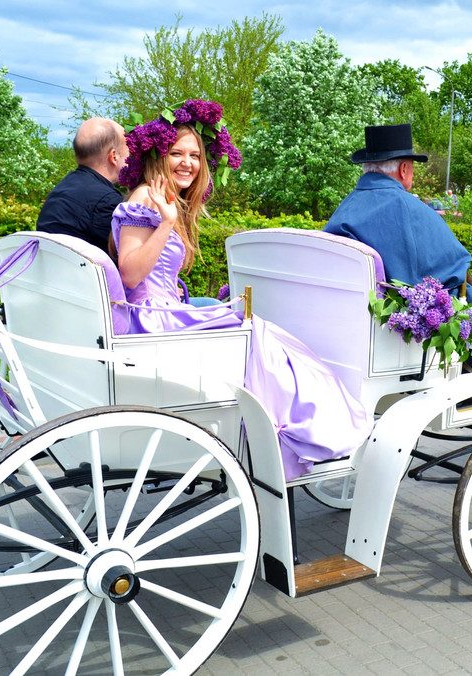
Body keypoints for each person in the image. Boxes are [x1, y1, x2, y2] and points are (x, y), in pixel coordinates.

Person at [111, 99, 370, 480]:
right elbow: (131, 274)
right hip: (152, 319)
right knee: (258, 335)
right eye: (176, 153)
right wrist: (166, 224)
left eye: (195, 155)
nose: (187, 162)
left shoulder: (164, 200)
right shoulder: (145, 199)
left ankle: (289, 429)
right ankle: (290, 435)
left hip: (162, 309)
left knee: (262, 334)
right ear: (157, 157)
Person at [324, 124, 472, 400]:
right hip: (393, 327)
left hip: (348, 319)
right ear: (404, 169)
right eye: (413, 168)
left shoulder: (347, 206)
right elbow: (455, 266)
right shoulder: (409, 207)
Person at [37, 118, 128, 252]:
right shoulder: (107, 202)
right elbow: (129, 262)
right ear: (114, 156)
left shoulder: (60, 190)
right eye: (128, 150)